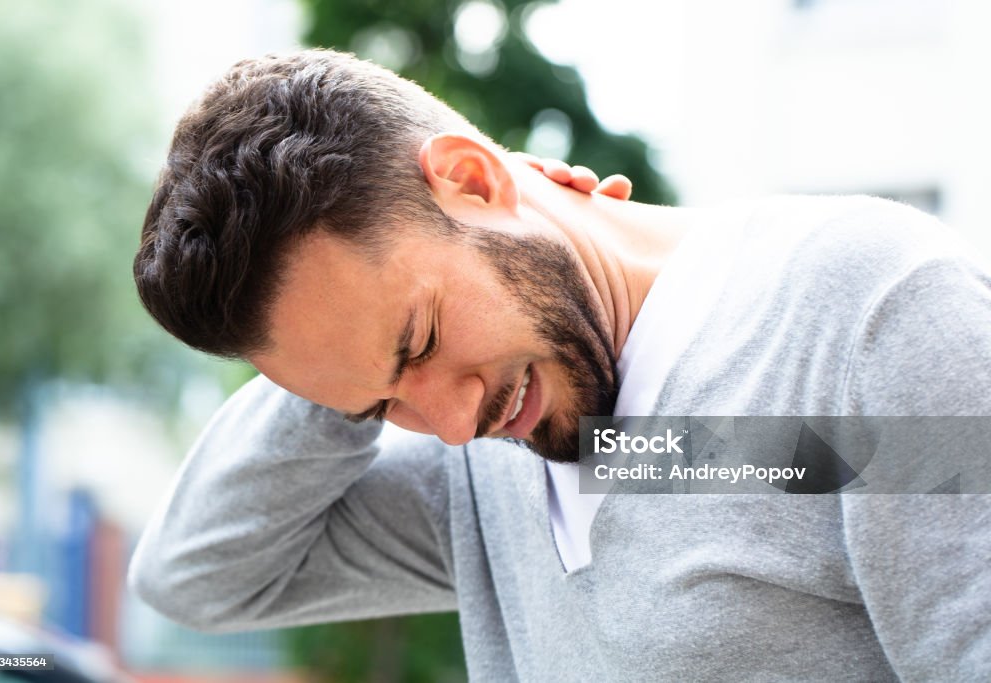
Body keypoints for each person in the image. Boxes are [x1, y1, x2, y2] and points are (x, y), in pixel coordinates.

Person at [129, 49, 991, 680]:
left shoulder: (869, 305)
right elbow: (197, 575)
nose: (454, 424)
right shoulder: (494, 456)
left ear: (470, 179)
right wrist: (337, 374)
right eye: (384, 406)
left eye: (421, 340)